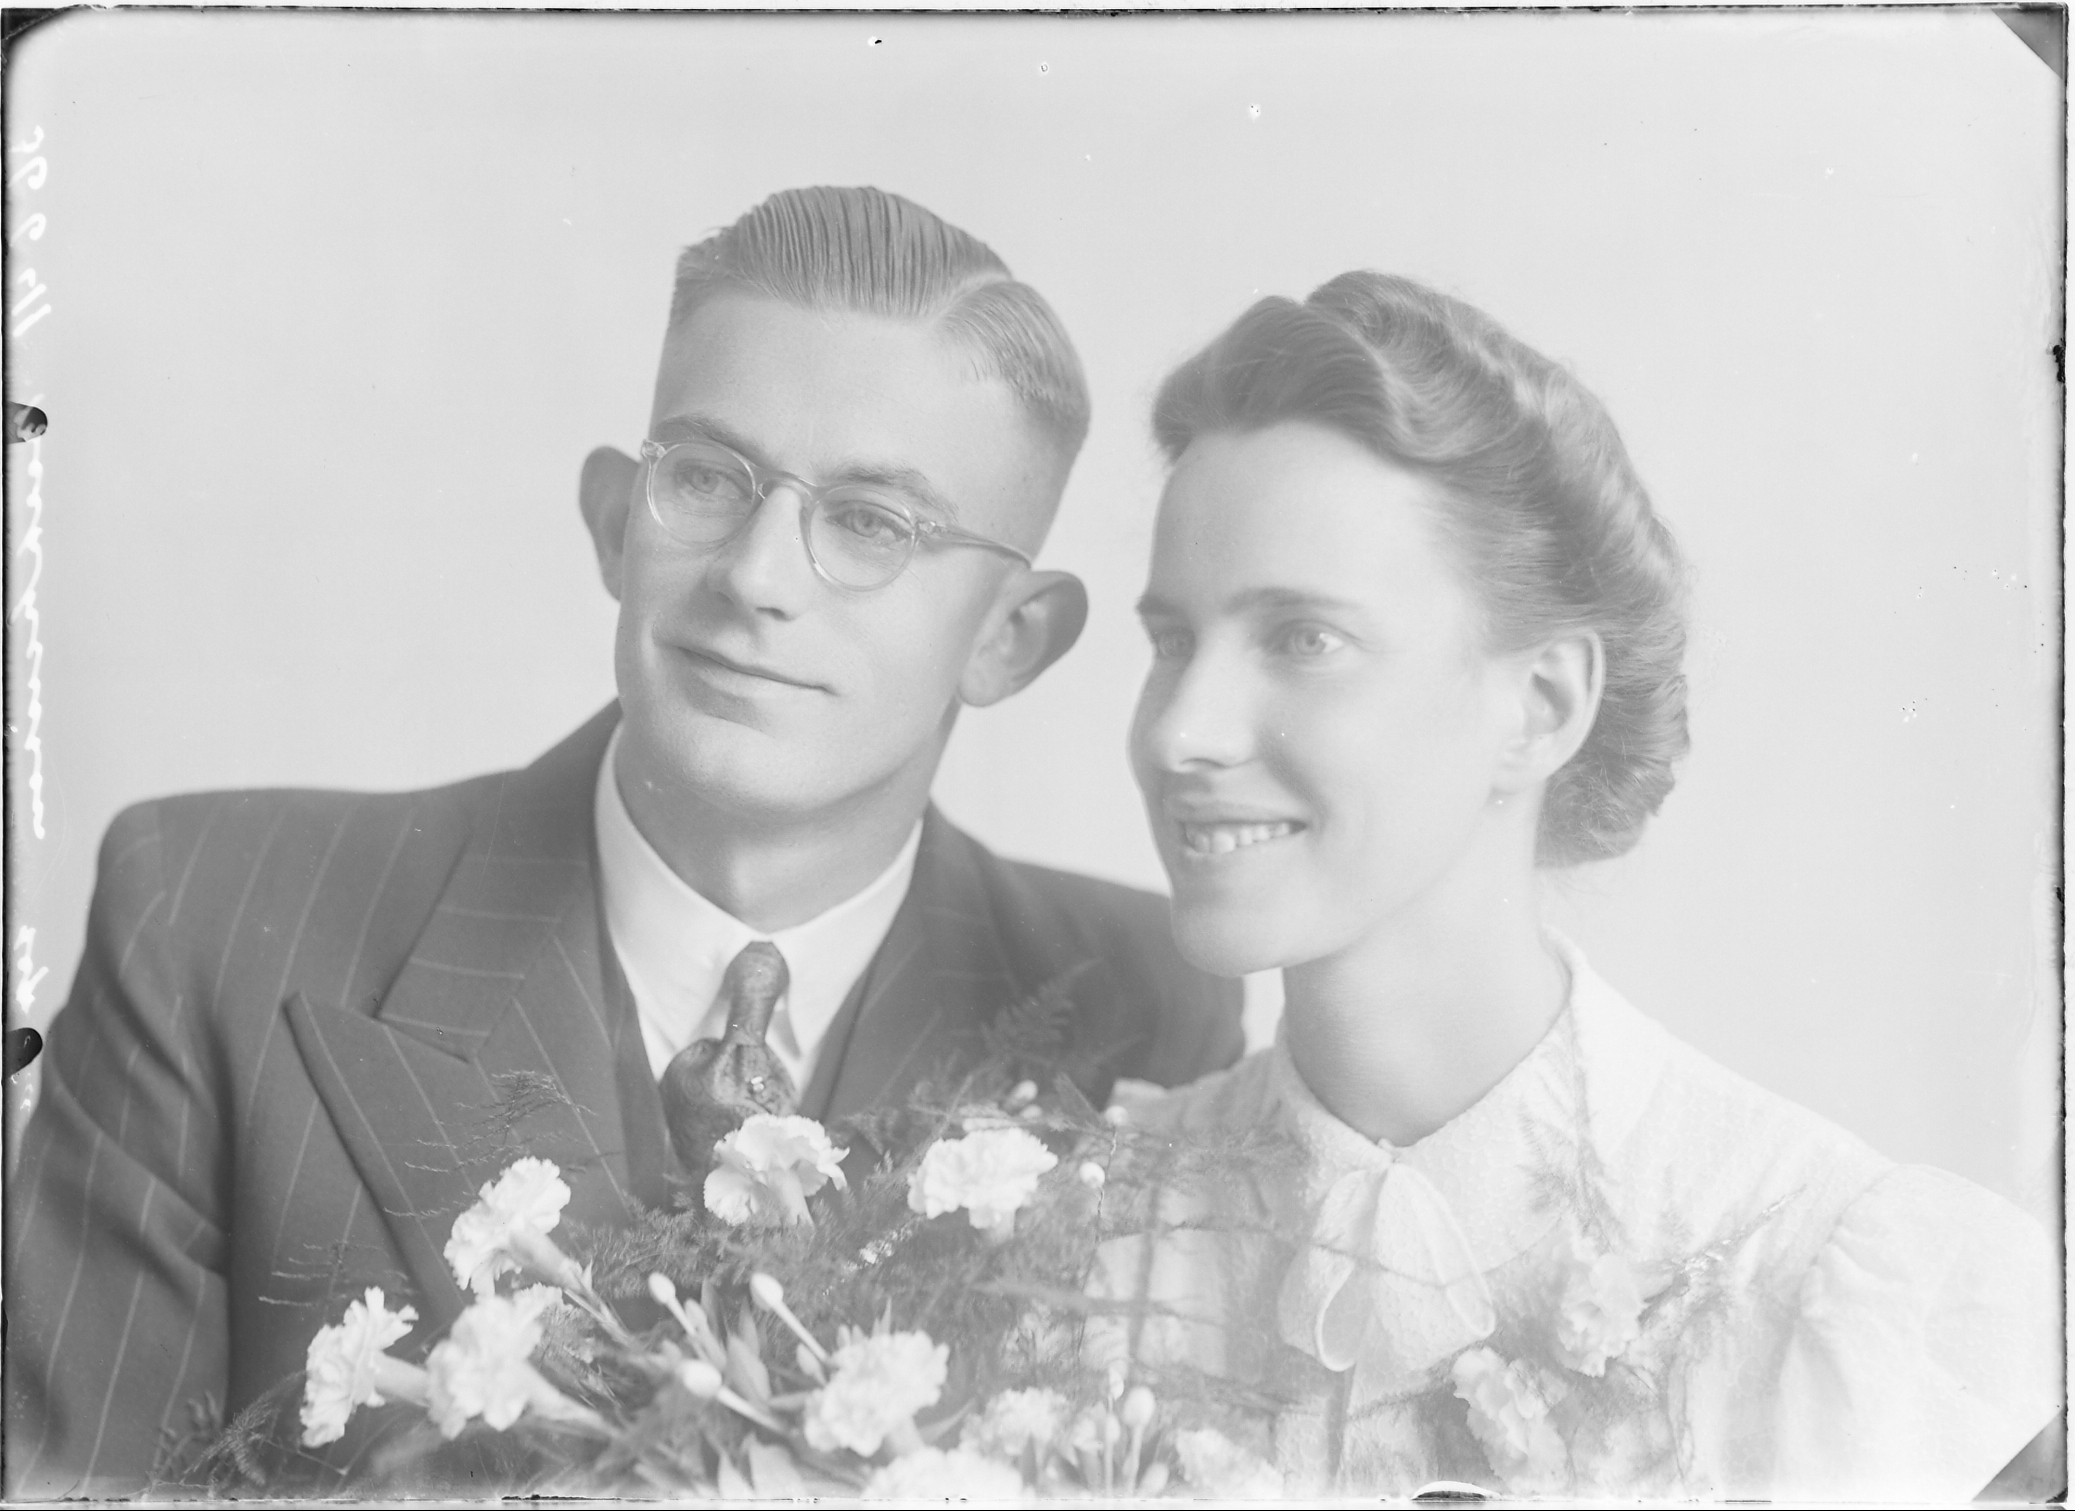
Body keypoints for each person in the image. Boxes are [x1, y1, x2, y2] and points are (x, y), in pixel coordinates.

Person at [6, 186, 1243, 1497]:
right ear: (613, 521)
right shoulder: (209, 920)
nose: (755, 576)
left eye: (871, 521)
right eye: (704, 477)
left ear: (1009, 636)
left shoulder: (1147, 1011)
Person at [1097, 272, 2061, 1499]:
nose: (1179, 729)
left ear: (1540, 705)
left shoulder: (1831, 1293)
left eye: (1302, 638)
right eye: (1171, 641)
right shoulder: (1078, 1247)